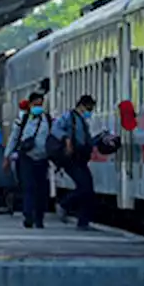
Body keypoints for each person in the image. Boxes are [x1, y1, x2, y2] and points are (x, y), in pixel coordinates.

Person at [5, 91, 53, 229]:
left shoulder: (48, 119)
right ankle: (28, 216)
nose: (39, 107)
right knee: (29, 187)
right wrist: (7, 156)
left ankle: (39, 217)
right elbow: (14, 138)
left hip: (42, 158)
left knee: (41, 190)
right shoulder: (23, 120)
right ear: (30, 104)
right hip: (26, 158)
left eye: (41, 104)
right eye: (36, 104)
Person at [51, 94, 97, 230]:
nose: (89, 112)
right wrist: (66, 139)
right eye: (88, 108)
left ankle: (83, 222)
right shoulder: (68, 117)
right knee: (84, 187)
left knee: (88, 189)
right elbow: (55, 129)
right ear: (81, 106)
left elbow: (85, 140)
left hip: (81, 158)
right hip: (70, 158)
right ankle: (64, 204)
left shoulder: (82, 121)